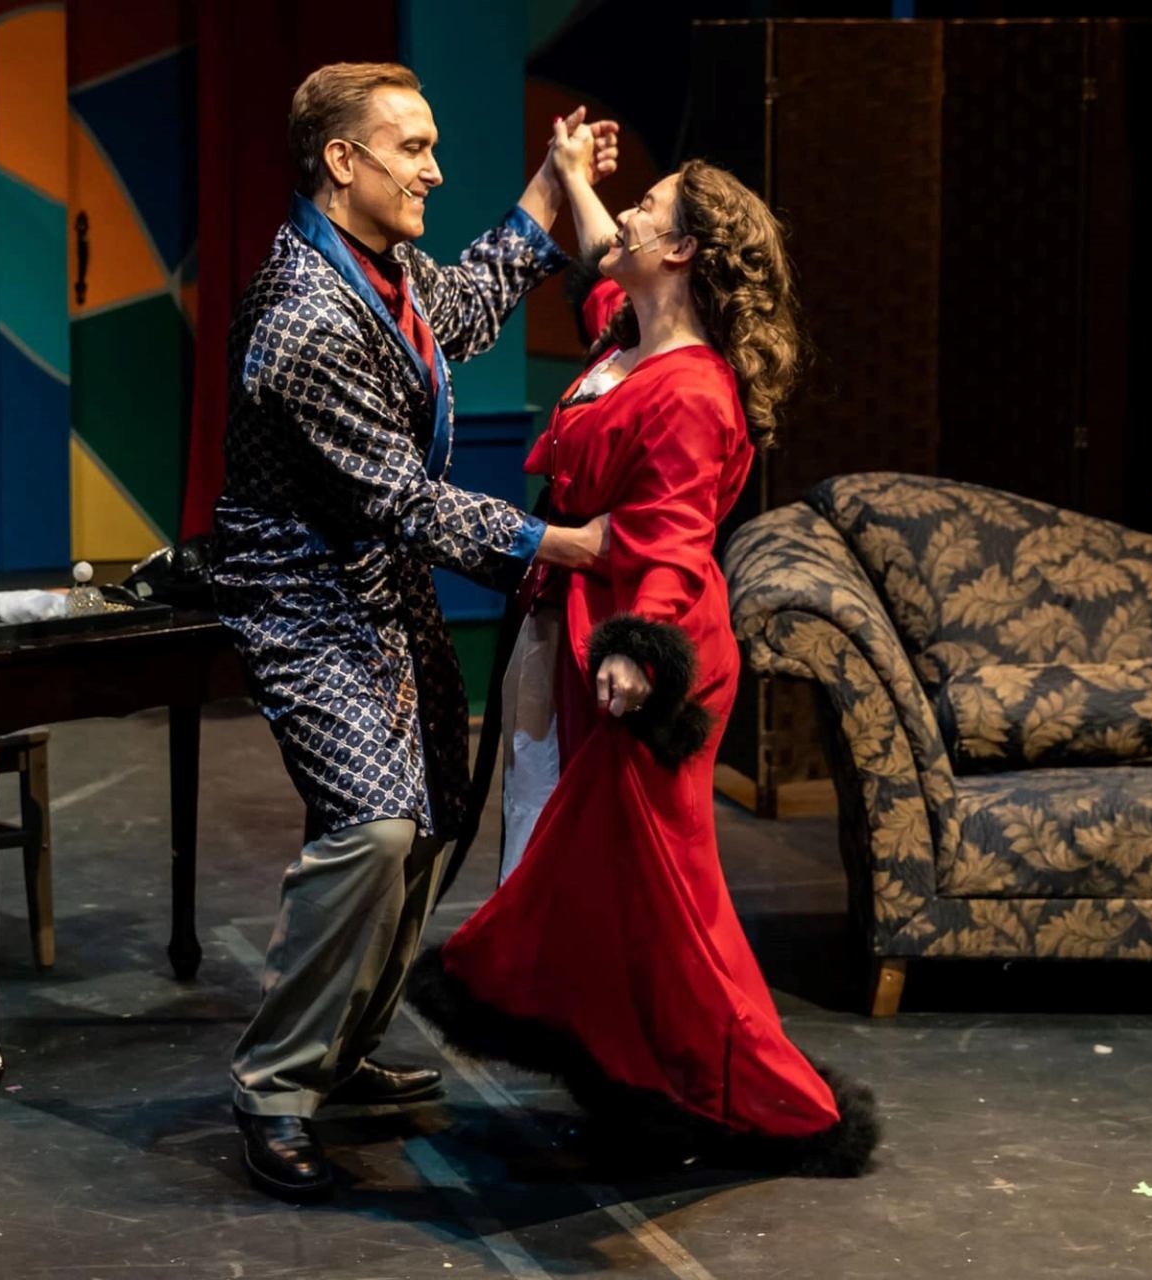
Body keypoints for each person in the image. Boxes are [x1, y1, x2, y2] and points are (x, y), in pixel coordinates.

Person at [406, 123, 881, 1177]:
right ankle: (627, 1078)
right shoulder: (629, 335)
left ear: (682, 252)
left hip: (646, 655)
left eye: (646, 209)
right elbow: (598, 265)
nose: (624, 216)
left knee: (664, 892)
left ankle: (770, 1099)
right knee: (606, 879)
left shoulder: (692, 393)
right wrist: (571, 177)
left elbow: (671, 540)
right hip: (583, 624)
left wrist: (638, 654)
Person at [211, 62, 619, 1202]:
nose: (434, 170)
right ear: (343, 162)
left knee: (437, 811)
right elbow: (404, 498)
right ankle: (276, 1087)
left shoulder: (379, 271)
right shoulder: (304, 316)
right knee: (375, 828)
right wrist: (559, 544)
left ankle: (339, 1049)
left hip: (377, 585)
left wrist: (552, 185)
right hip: (302, 599)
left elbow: (467, 304)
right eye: (413, 149)